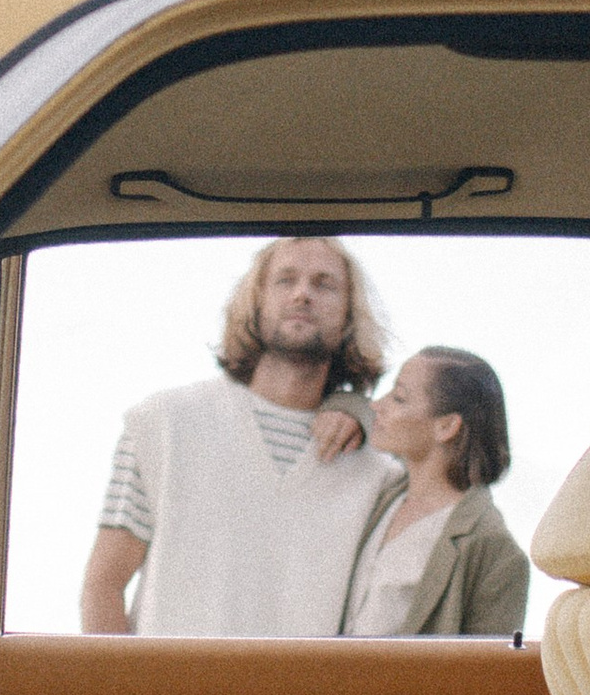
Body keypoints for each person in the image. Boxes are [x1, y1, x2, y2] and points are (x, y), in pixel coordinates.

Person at [80, 235, 396, 635]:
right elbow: (104, 585)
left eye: (324, 284)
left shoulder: (377, 471)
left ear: (350, 313)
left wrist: (361, 411)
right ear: (257, 299)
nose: (303, 294)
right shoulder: (164, 424)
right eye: (285, 280)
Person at [340, 346, 530, 639]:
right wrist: (344, 408)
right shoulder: (379, 492)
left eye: (399, 398)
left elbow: (487, 676)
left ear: (446, 426)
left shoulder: (494, 550)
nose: (377, 404)